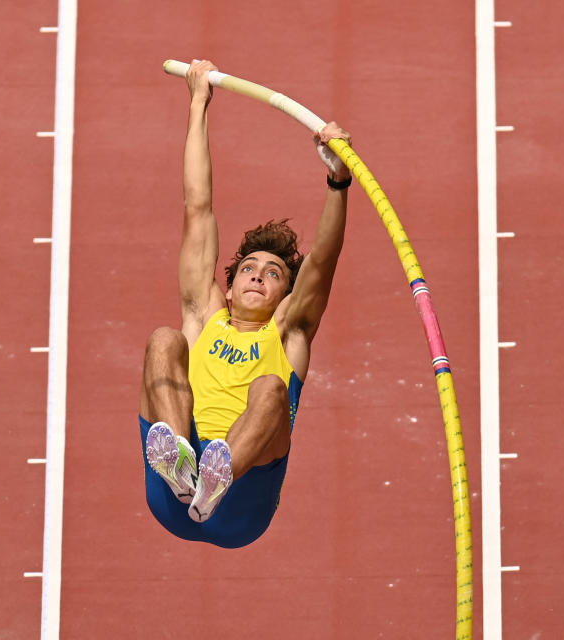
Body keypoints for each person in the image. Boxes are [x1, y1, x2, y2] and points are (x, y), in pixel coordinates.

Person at [139, 59, 353, 548]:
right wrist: (198, 103)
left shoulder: (289, 335)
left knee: (271, 387)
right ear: (228, 288)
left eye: (273, 274)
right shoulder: (203, 315)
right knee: (163, 341)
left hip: (241, 504)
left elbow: (323, 262)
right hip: (172, 494)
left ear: (285, 295)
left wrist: (338, 181)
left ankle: (218, 475)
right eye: (249, 270)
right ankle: (180, 461)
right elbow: (198, 206)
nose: (258, 276)